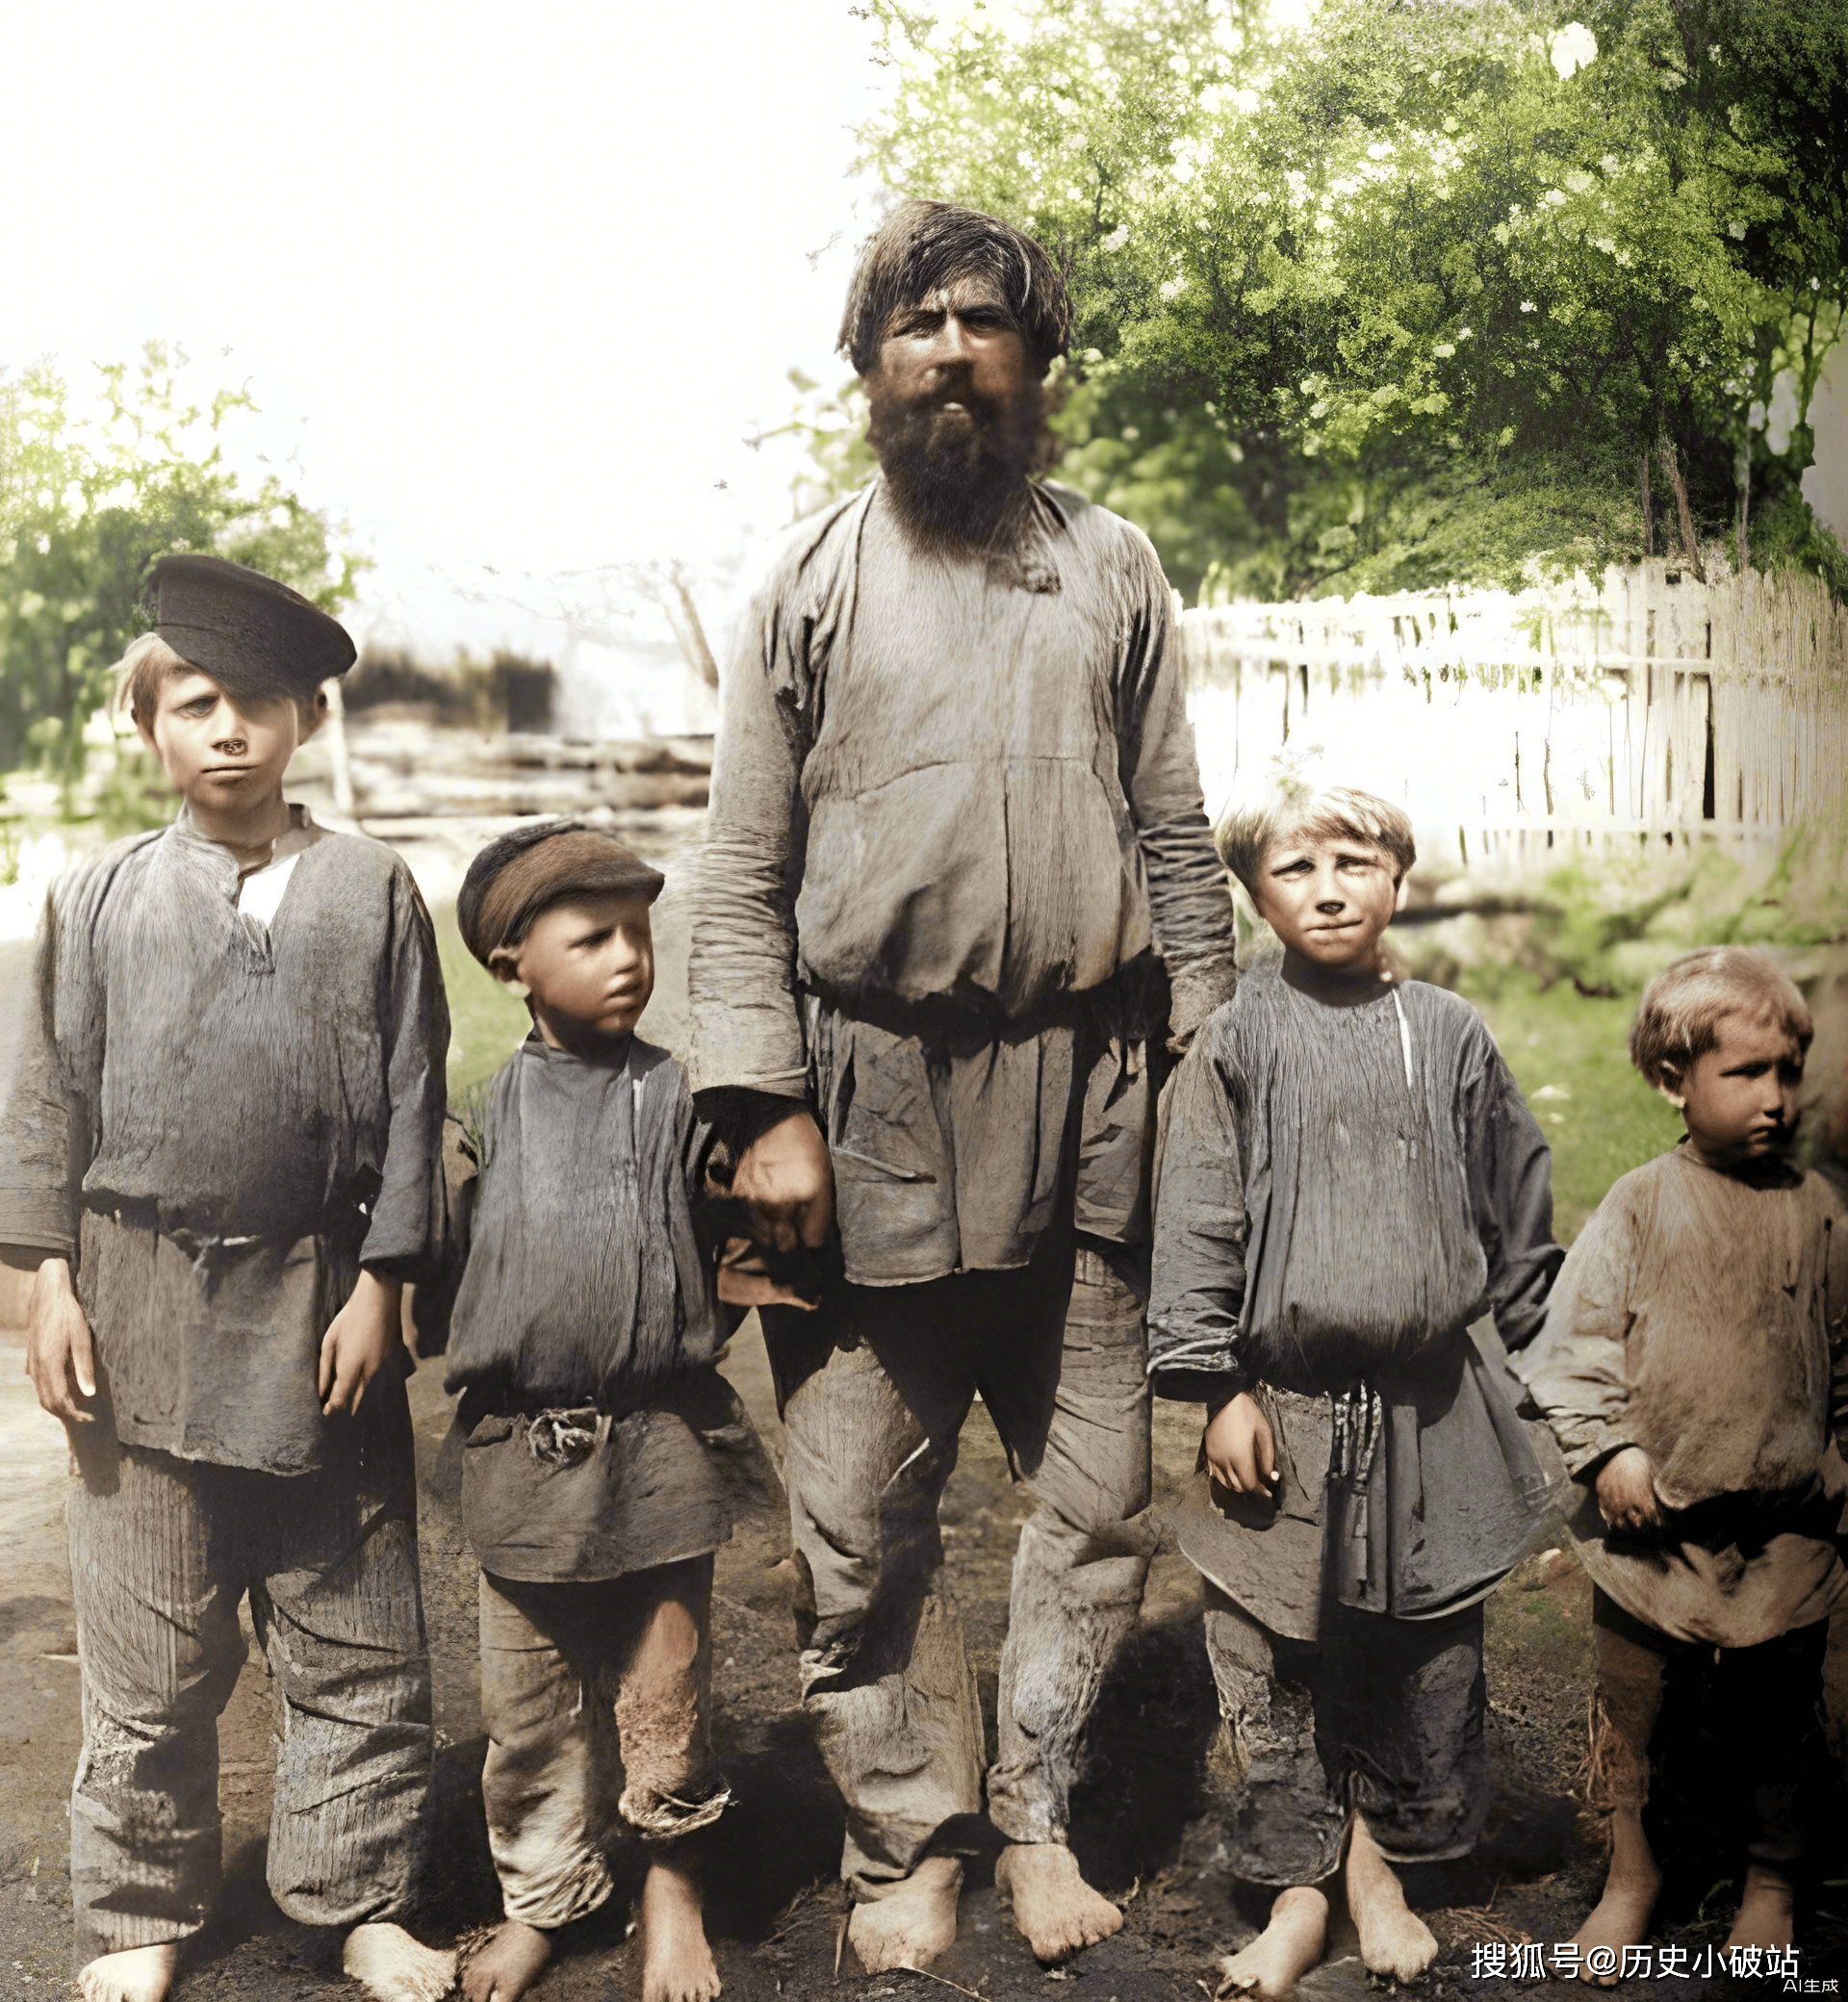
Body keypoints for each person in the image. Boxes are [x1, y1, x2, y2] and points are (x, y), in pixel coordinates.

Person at [684, 198, 1240, 1969]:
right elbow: (738, 873)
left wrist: (1212, 1078)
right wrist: (763, 1104)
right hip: (862, 1113)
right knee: (858, 1518)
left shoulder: (1115, 566)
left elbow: (1173, 832)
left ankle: (1037, 1815)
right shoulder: (809, 578)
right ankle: (903, 1839)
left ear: (1035, 366)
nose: (947, 351)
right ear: (865, 365)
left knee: (1093, 1504)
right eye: (911, 324)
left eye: (983, 323)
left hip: (1089, 1105)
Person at [0, 556, 453, 2002]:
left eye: (258, 701)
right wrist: (47, 1287)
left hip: (321, 1308)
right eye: (195, 703)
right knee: (147, 1634)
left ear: (305, 720)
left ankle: (360, 1894)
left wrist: (384, 1285)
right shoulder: (100, 898)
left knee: (355, 1619)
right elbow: (41, 1111)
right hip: (136, 1309)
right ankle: (138, 1905)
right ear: (151, 730)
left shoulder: (373, 890)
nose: (229, 730)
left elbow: (416, 1099)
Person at [1147, 778, 1565, 1999]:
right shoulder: (1236, 1036)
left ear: (1398, 875)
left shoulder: (1447, 1031)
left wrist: (1552, 1376)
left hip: (1429, 1406)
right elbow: (1201, 1221)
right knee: (1272, 1648)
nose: (1328, 889)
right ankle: (1293, 1890)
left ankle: (1377, 1866)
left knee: (1416, 1643)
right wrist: (1219, 1384)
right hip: (1282, 1404)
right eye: (1295, 869)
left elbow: (1519, 1213)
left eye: (1355, 862)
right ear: (1251, 893)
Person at [421, 822, 760, 2002]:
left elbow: (742, 1244)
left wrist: (681, 1328)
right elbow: (437, 1268)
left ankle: (674, 1887)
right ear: (513, 960)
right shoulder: (478, 1110)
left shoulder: (680, 1098)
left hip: (660, 1438)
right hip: (523, 1446)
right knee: (528, 1703)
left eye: (641, 934)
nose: (629, 958)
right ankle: (547, 1898)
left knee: (665, 1684)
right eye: (594, 937)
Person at [1519, 947, 1848, 1977]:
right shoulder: (1639, 1204)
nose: (1777, 1098)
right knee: (1632, 1709)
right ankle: (1633, 1873)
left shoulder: (1821, 1209)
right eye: (1746, 1073)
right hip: (1650, 1532)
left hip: (1787, 1526)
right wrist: (1610, 1449)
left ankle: (1772, 1877)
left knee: (1781, 1720)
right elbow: (1574, 1348)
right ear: (1674, 1080)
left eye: (1788, 1072)